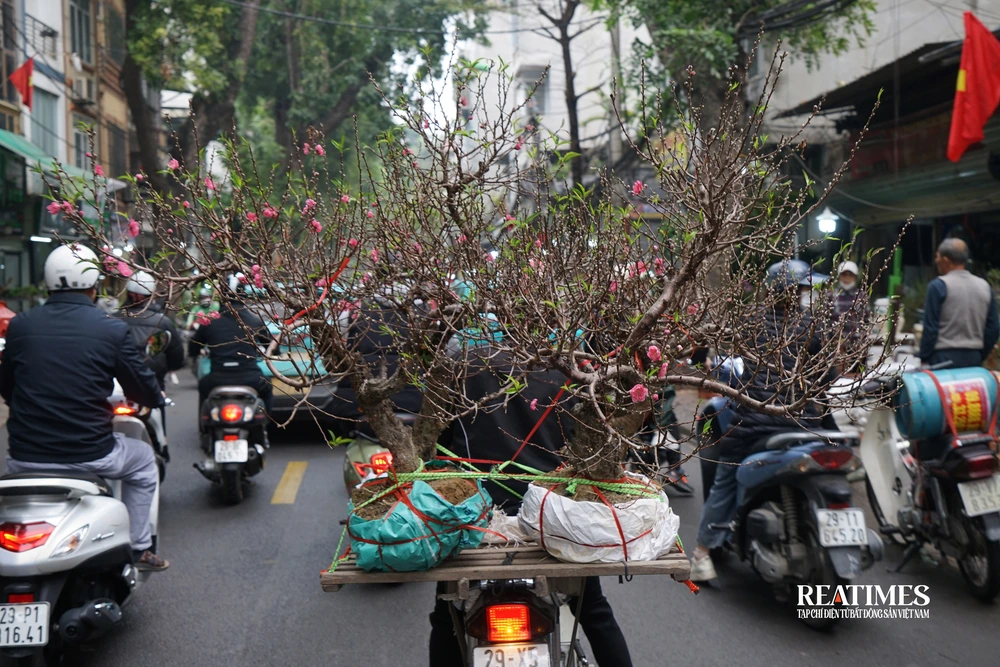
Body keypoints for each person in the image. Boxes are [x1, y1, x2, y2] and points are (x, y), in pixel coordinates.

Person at [429, 349, 633, 667]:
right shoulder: (569, 368)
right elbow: (590, 446)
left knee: (446, 618)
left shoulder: (461, 365)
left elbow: (437, 444)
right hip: (552, 516)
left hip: (481, 519)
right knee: (594, 611)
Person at [0, 244, 168, 571]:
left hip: (24, 456)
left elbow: (6, 385)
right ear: (94, 282)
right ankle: (138, 548)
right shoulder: (110, 328)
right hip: (91, 454)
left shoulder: (20, 326)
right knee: (145, 460)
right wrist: (155, 397)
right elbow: (143, 389)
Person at [689, 260, 824, 582]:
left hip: (755, 425)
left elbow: (737, 371)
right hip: (805, 424)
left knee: (725, 478)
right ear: (800, 293)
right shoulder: (814, 327)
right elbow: (824, 375)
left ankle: (702, 556)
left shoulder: (752, 323)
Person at [188, 276, 274, 416]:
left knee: (203, 387)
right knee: (267, 387)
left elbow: (194, 347)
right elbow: (270, 345)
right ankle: (265, 426)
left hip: (217, 379)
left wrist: (195, 353)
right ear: (243, 295)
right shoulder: (254, 321)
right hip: (251, 379)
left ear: (221, 297)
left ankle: (205, 426)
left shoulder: (210, 322)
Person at [919, 238, 999, 369]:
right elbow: (993, 329)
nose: (936, 261)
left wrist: (924, 357)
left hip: (943, 359)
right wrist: (979, 354)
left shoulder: (938, 286)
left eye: (937, 256)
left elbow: (931, 329)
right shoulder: (984, 286)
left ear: (946, 260)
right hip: (974, 358)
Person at [116, 270, 185, 390]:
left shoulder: (113, 318)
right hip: (153, 384)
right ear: (152, 294)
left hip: (119, 382)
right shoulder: (163, 322)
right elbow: (176, 358)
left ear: (128, 293)